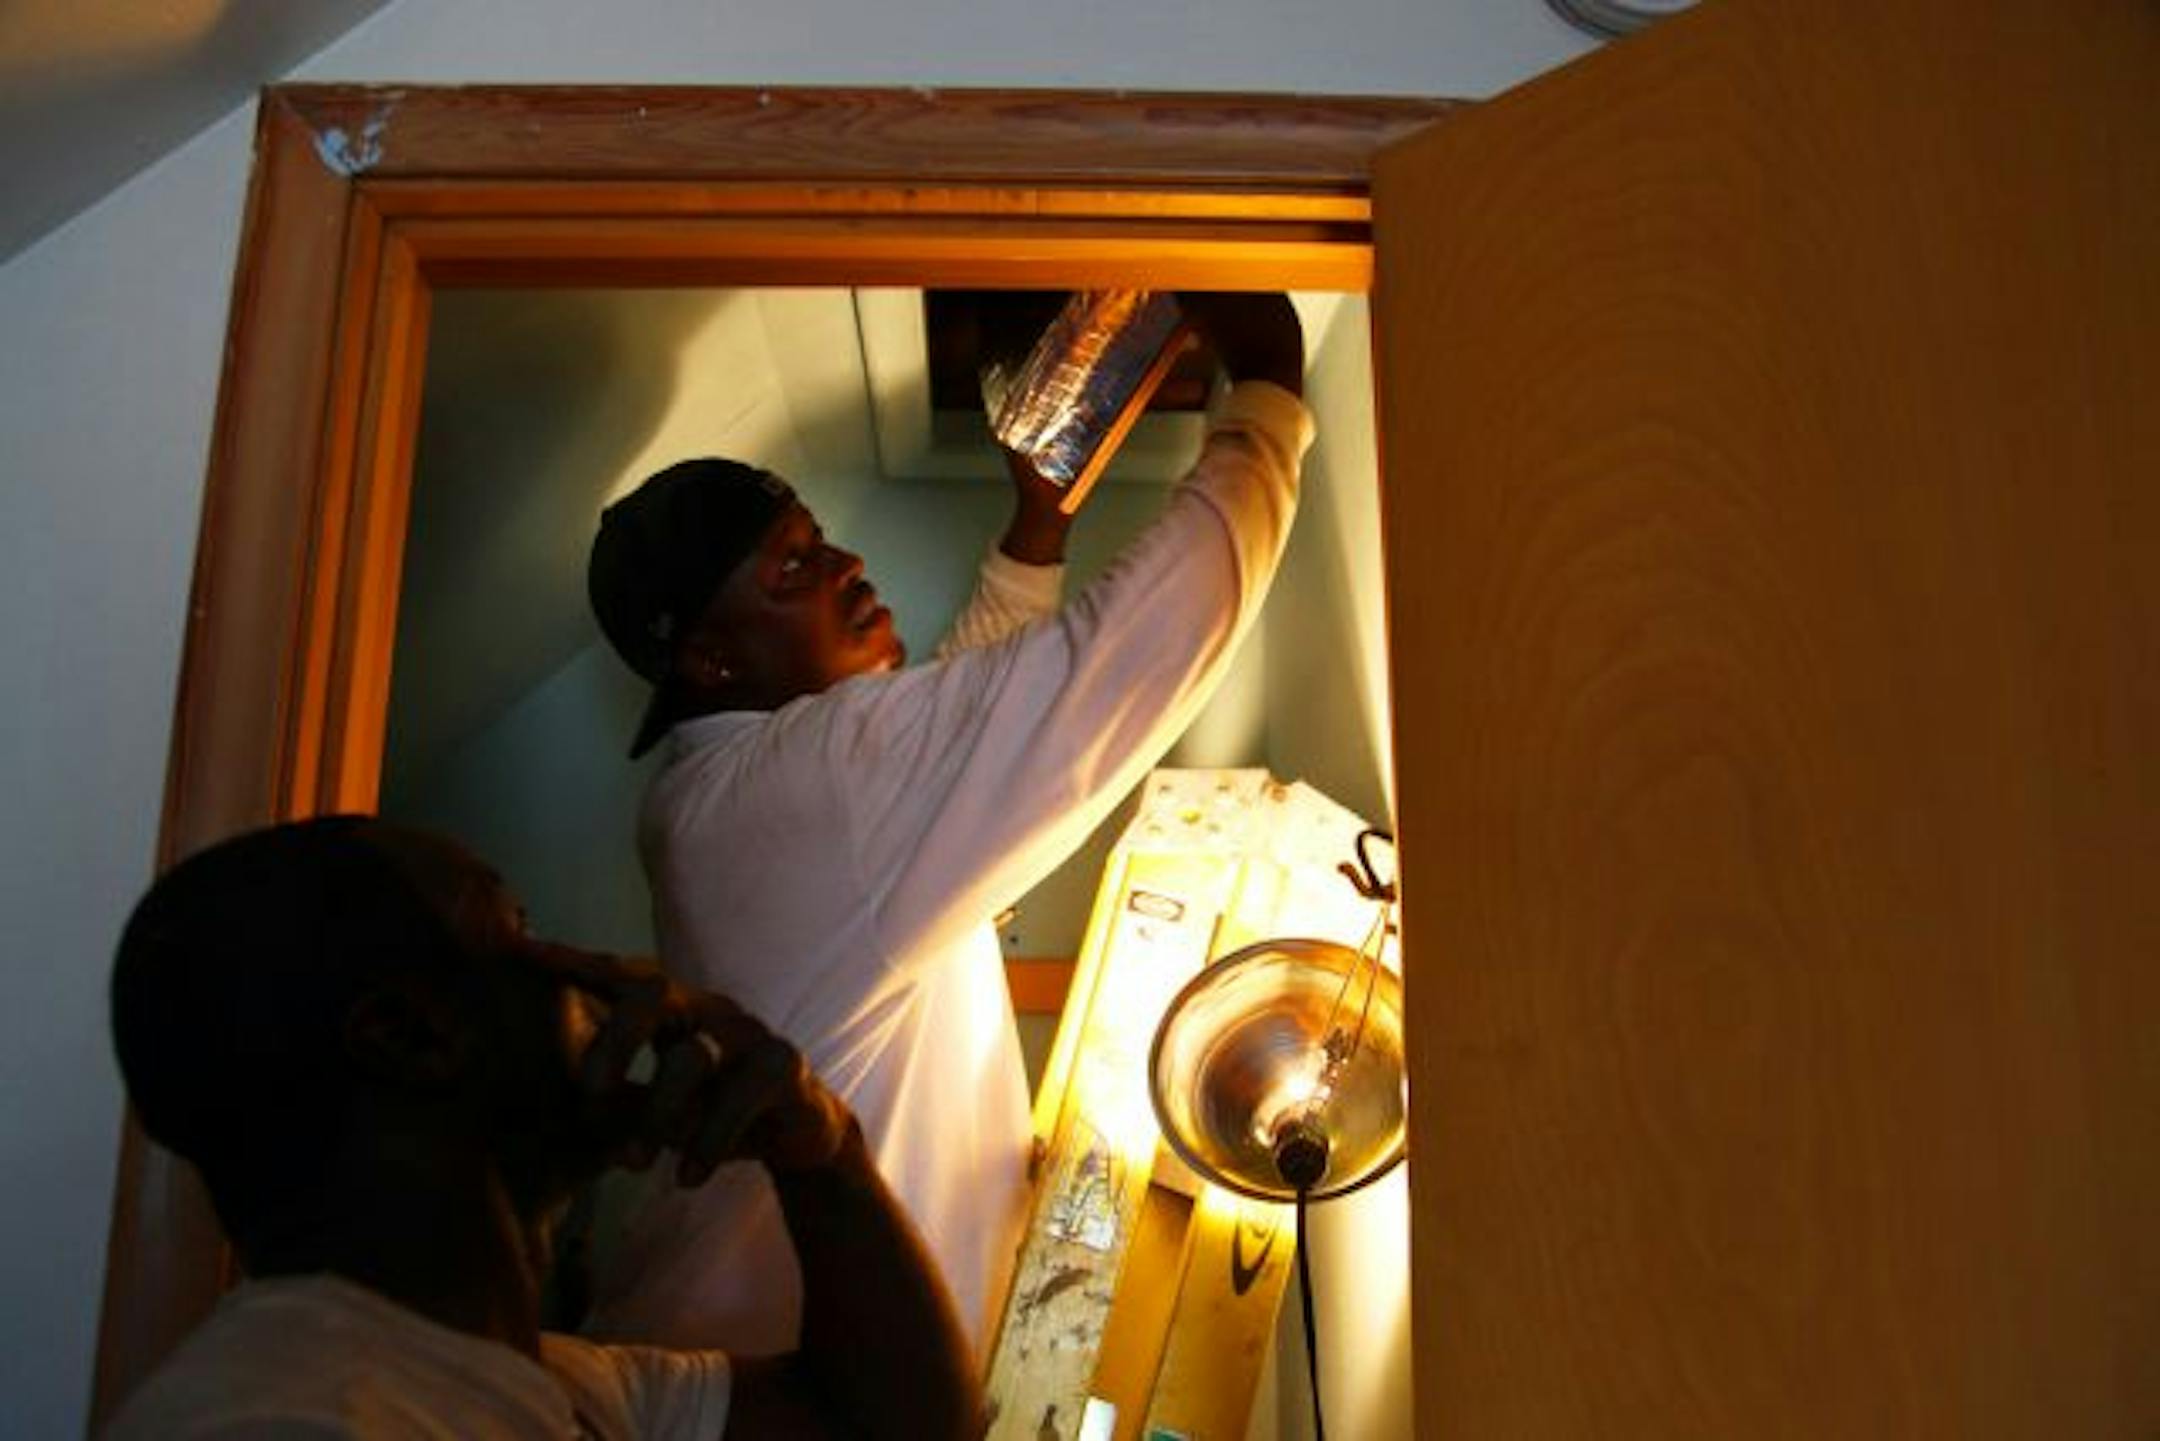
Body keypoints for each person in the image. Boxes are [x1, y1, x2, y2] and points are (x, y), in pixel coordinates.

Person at [583, 293, 1311, 1354]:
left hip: (764, 1378)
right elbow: (1099, 677)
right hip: (776, 1384)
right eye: (793, 570)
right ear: (711, 658)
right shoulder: (797, 788)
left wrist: (1036, 532)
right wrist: (1267, 395)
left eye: (821, 541)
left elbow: (938, 761)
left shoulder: (718, 801)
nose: (846, 569)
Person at [103, 815, 979, 1440]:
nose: (608, 976)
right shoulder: (287, 1419)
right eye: (520, 934)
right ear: (409, 1036)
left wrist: (827, 1156)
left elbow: (888, 1423)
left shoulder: (560, 1382)